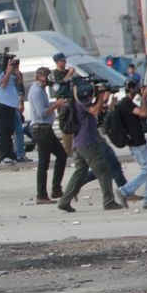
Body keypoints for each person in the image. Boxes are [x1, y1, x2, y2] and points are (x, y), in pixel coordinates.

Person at [57, 83, 123, 213]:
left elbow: (97, 108)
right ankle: (109, 202)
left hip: (78, 143)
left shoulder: (76, 102)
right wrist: (99, 94)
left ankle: (64, 201)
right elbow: (95, 110)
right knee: (104, 171)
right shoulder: (83, 102)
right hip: (87, 143)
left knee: (79, 173)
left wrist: (102, 96)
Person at [115, 80, 147, 209]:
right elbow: (142, 112)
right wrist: (143, 96)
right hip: (136, 144)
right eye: (137, 87)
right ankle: (124, 191)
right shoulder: (125, 103)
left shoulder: (130, 103)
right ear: (130, 89)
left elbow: (145, 114)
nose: (140, 89)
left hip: (140, 142)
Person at [28, 67, 66, 204]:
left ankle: (56, 188)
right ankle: (41, 195)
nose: (49, 80)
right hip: (41, 129)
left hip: (46, 129)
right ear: (41, 77)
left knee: (62, 155)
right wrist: (56, 105)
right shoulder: (37, 90)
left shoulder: (41, 90)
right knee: (43, 162)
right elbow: (42, 112)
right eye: (47, 77)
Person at [0, 54, 19, 164]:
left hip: (10, 105)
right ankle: (3, 155)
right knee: (3, 132)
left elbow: (19, 81)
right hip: (1, 105)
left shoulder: (9, 72)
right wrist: (8, 71)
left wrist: (15, 69)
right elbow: (2, 84)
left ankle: (10, 153)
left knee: (9, 131)